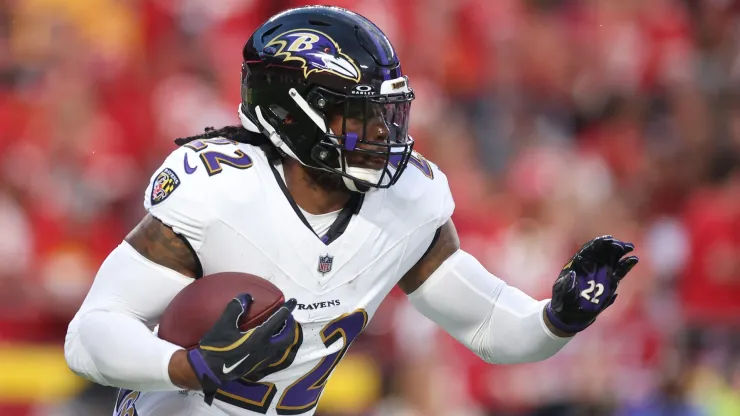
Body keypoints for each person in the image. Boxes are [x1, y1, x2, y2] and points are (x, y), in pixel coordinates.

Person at [64, 5, 639, 416]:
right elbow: (89, 337)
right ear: (292, 114)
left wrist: (557, 319)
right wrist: (190, 368)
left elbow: (490, 327)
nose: (381, 133)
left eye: (387, 115)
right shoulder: (220, 192)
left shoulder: (405, 204)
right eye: (358, 116)